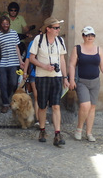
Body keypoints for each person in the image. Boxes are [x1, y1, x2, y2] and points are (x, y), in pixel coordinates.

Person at [68, 26, 103, 142]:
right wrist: (72, 79)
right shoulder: (77, 48)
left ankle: (89, 132)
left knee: (92, 107)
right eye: (87, 35)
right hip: (82, 81)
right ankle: (79, 129)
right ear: (83, 36)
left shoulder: (98, 49)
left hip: (95, 82)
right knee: (85, 105)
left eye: (92, 35)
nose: (90, 37)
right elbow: (72, 65)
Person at [29, 16, 69, 147]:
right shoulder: (38, 40)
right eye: (56, 28)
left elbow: (62, 60)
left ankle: (57, 133)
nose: (58, 30)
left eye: (58, 28)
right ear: (48, 29)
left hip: (56, 77)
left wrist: (65, 77)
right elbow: (31, 58)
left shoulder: (60, 41)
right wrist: (44, 66)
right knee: (42, 106)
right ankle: (42, 130)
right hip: (42, 77)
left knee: (56, 105)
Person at [0, 15, 25, 113]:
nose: (5, 26)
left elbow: (17, 47)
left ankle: (8, 98)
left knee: (13, 82)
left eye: (7, 24)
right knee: (3, 83)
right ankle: (5, 104)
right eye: (4, 24)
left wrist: (21, 61)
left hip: (13, 62)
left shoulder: (14, 33)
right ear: (0, 24)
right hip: (2, 63)